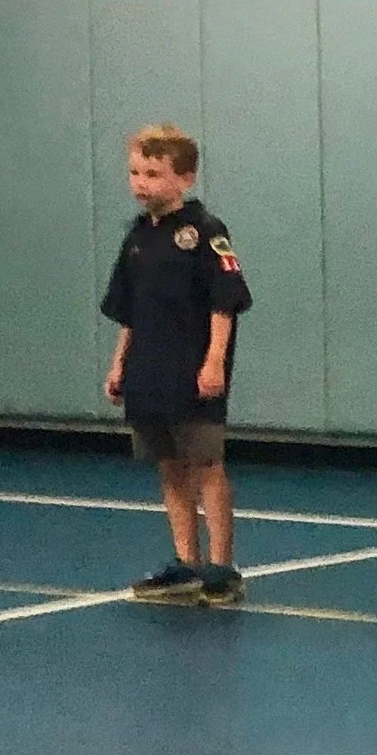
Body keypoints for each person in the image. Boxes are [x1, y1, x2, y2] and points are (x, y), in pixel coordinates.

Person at [103, 124, 253, 606]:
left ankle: (222, 567)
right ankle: (186, 562)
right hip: (149, 369)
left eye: (153, 174)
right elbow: (128, 311)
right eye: (135, 173)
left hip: (193, 370)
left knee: (206, 463)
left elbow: (225, 302)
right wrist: (119, 364)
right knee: (168, 465)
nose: (140, 183)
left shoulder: (206, 232)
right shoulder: (136, 237)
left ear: (185, 178)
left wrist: (214, 362)